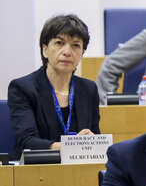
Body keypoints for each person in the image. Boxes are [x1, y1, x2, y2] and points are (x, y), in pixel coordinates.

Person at [8, 14, 100, 160]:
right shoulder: (22, 88)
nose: (67, 52)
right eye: (59, 43)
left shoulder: (89, 89)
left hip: (79, 171)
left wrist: (92, 141)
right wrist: (73, 146)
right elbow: (27, 141)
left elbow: (96, 136)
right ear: (45, 50)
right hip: (36, 171)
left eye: (75, 45)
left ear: (82, 54)